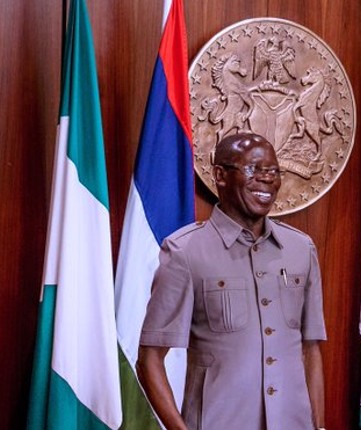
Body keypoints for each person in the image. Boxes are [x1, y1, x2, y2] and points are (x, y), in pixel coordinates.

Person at [137, 133, 327, 430]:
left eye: (273, 171)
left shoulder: (301, 249)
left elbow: (310, 349)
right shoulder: (184, 252)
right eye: (253, 170)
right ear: (220, 175)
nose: (266, 180)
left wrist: (319, 426)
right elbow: (149, 359)